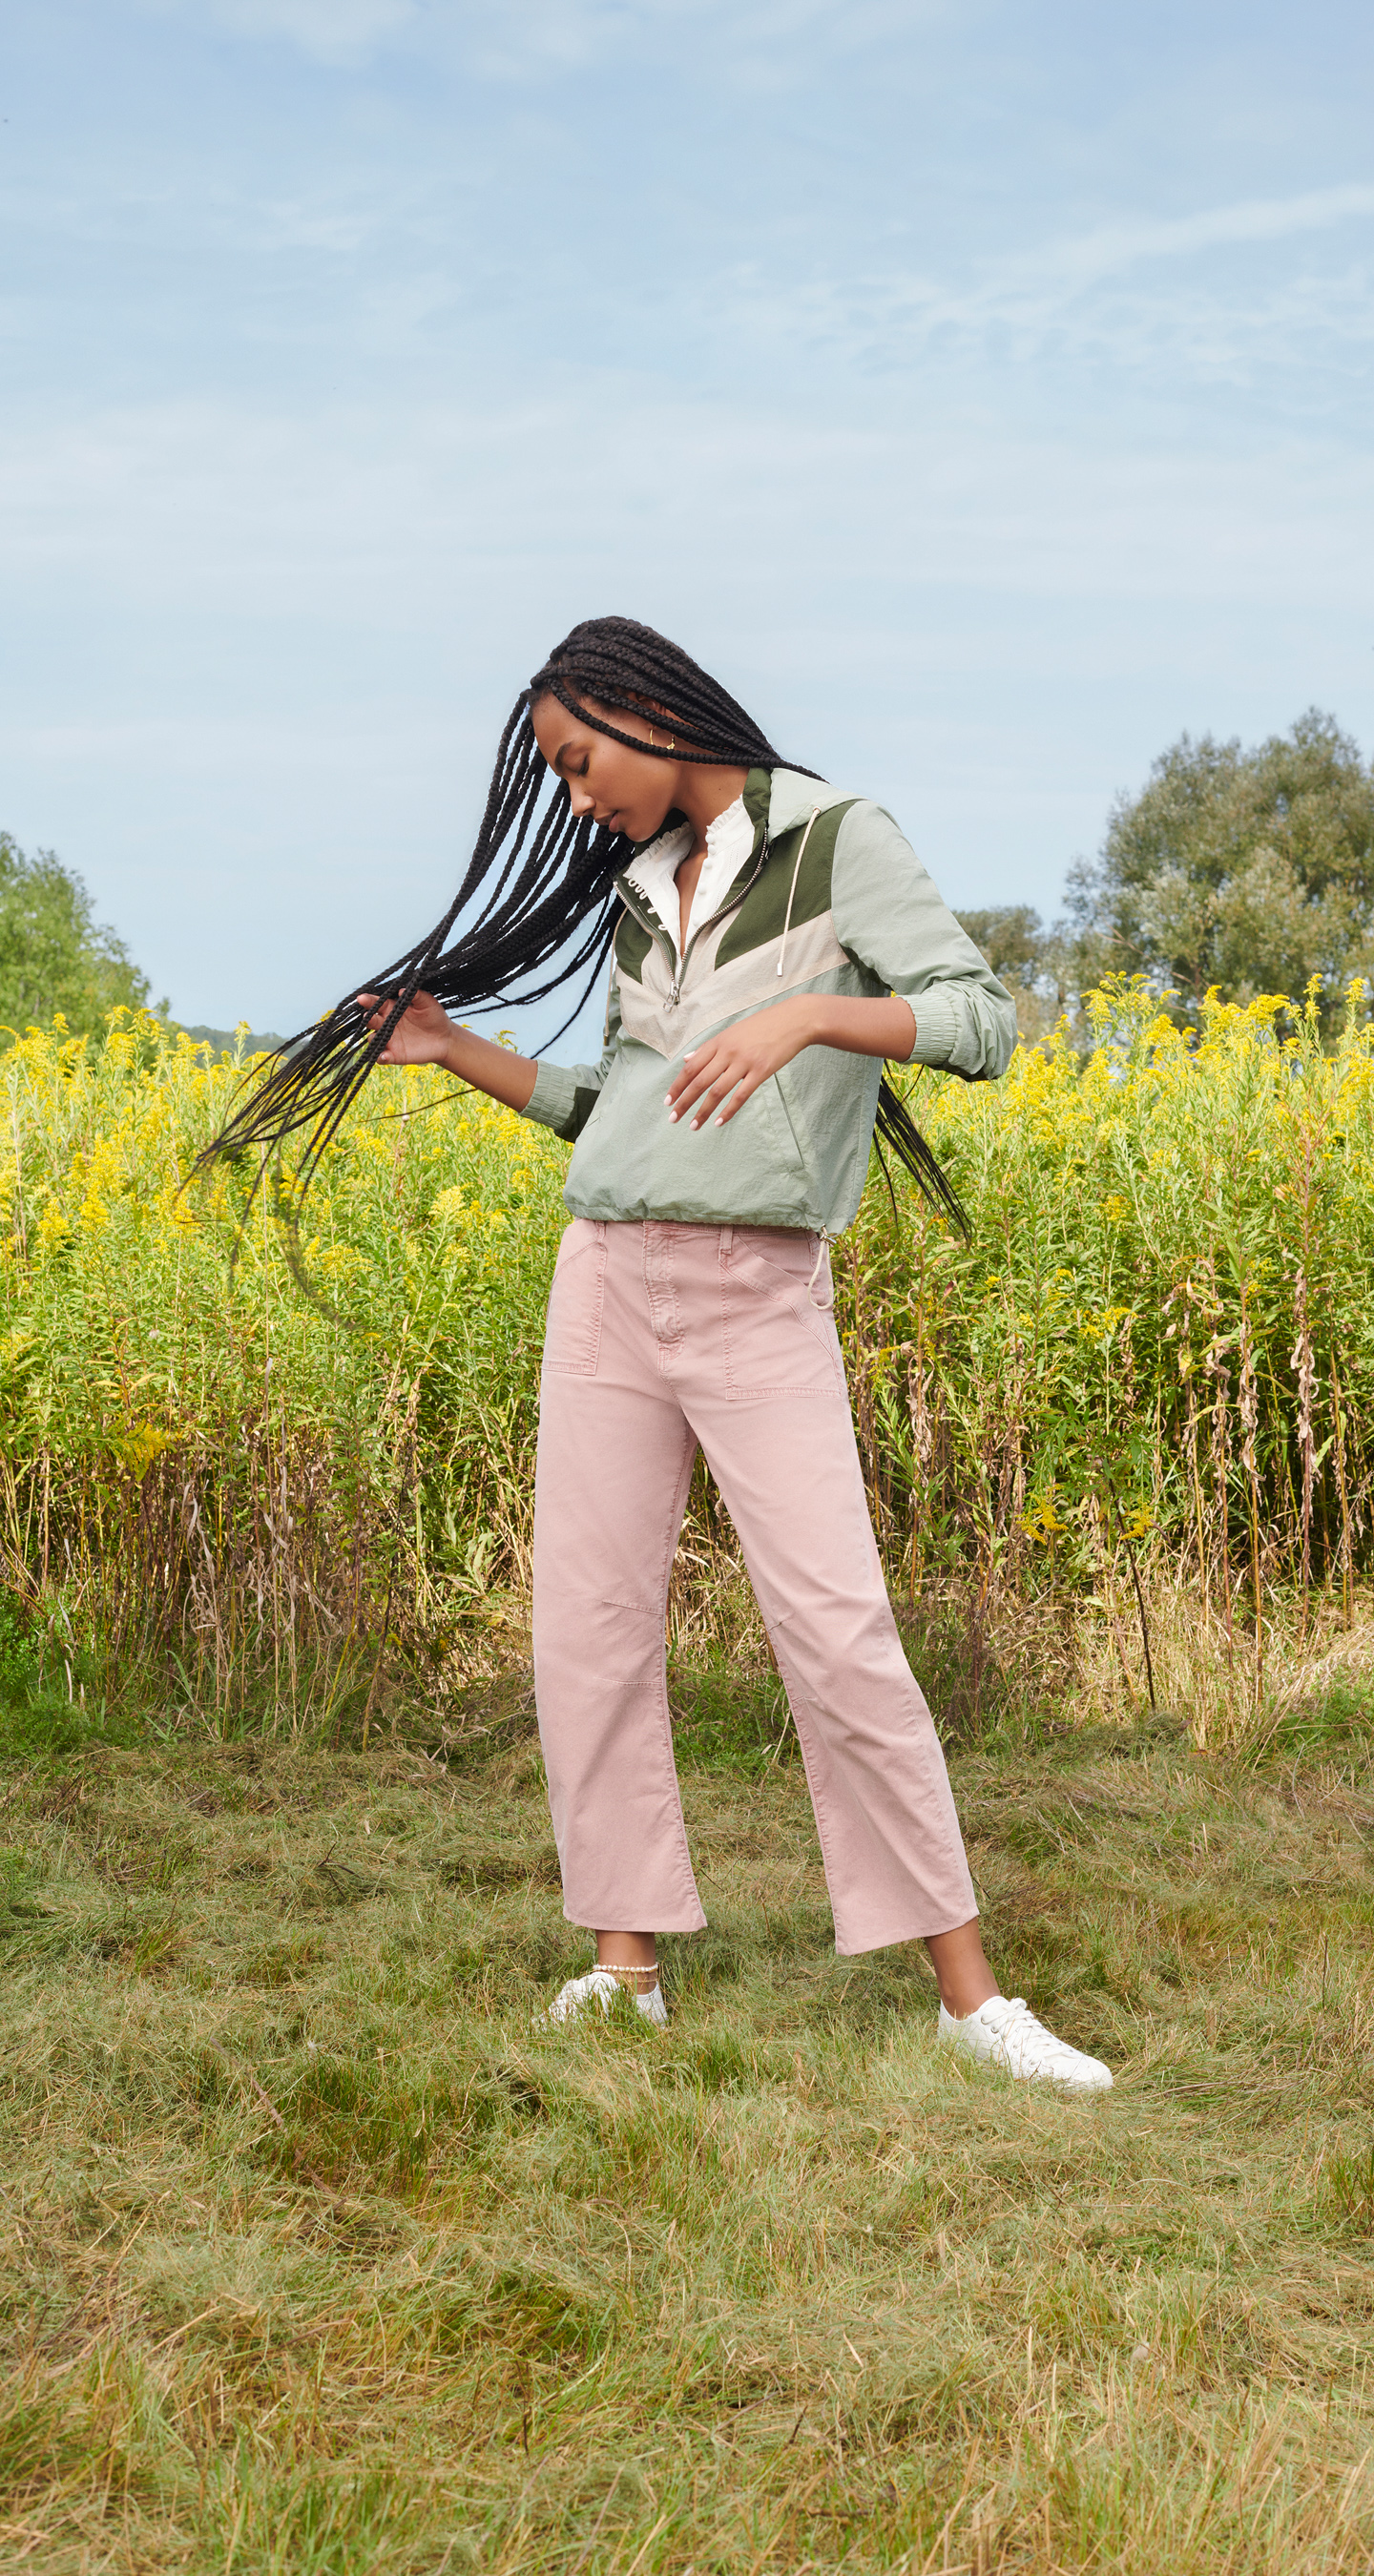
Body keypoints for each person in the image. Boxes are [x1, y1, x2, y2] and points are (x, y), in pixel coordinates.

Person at [211, 616, 1112, 2092]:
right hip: (611, 1279)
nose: (575, 797)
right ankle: (626, 1963)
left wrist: (809, 1015)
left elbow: (983, 1021)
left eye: (580, 761)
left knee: (835, 1630)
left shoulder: (833, 841)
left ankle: (971, 2002)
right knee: (590, 1623)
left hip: (760, 1292)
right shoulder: (643, 888)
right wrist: (458, 1052)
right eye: (558, 776)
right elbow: (622, 1110)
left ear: (645, 710)